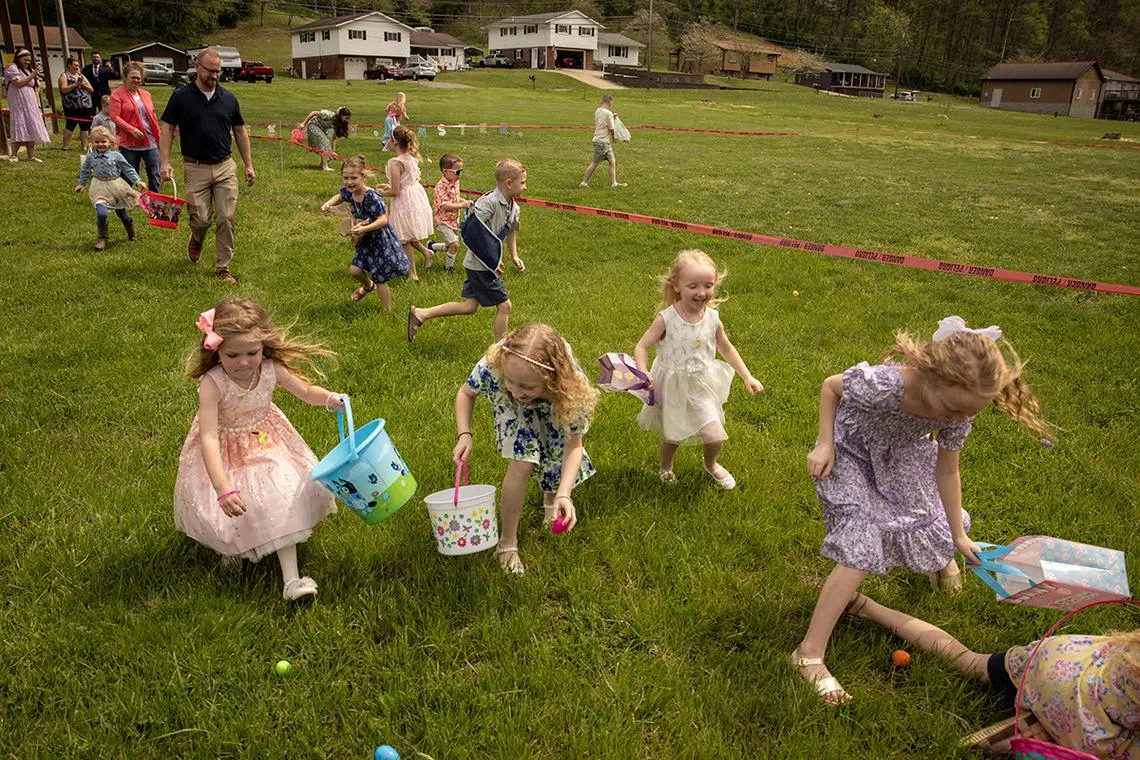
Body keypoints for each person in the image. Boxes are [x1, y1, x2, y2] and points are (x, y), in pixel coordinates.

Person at [794, 316, 1050, 705]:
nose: (959, 419)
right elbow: (832, 387)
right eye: (953, 409)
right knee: (861, 543)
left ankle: (941, 559)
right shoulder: (888, 384)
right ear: (931, 377)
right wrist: (824, 443)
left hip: (902, 459)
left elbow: (947, 469)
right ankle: (808, 654)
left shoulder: (960, 409)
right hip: (850, 454)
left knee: (932, 519)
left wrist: (958, 535)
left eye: (969, 413)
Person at [173, 298, 344, 601]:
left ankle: (291, 581)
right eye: (232, 354)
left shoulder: (270, 368)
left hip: (269, 442)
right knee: (232, 507)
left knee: (279, 491)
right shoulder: (212, 383)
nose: (243, 362)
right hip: (226, 451)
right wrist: (222, 486)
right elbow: (209, 437)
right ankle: (234, 547)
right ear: (216, 350)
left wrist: (330, 398)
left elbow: (305, 391)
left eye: (252, 352)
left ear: (264, 345)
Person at [849, 593, 1139, 758]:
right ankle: (1038, 734)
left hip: (1060, 656)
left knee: (966, 659)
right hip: (1078, 705)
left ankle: (867, 606)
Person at [453, 323, 597, 575]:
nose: (518, 391)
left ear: (552, 380)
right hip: (511, 411)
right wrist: (464, 434)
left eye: (527, 387)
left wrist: (565, 493)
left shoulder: (570, 389)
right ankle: (507, 543)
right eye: (512, 381)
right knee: (523, 461)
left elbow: (573, 445)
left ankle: (552, 499)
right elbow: (466, 393)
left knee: (554, 457)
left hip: (553, 404)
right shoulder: (495, 365)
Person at [634, 250, 764, 489]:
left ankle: (711, 464)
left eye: (708, 285)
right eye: (693, 286)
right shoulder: (666, 319)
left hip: (702, 384)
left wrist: (747, 376)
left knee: (715, 435)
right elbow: (642, 346)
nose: (702, 292)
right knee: (673, 436)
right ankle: (665, 467)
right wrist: (643, 372)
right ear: (676, 286)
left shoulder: (713, 318)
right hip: (672, 385)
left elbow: (727, 349)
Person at [159, 48, 256, 285]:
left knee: (226, 217)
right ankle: (197, 238)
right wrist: (164, 162)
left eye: (218, 71)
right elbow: (167, 129)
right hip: (195, 167)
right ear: (198, 67)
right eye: (211, 71)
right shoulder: (181, 97)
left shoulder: (229, 98)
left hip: (224, 166)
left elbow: (240, 132)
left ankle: (223, 267)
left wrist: (248, 165)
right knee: (200, 219)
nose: (215, 75)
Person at [407, 158, 527, 343]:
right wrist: (492, 261)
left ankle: (421, 314)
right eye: (523, 183)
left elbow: (511, 232)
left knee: (469, 307)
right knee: (505, 306)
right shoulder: (489, 203)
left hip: (484, 264)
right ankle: (500, 348)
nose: (525, 187)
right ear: (509, 183)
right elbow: (472, 231)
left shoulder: (514, 207)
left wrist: (514, 256)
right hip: (481, 266)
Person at [320, 154, 409, 310]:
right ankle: (368, 286)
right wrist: (328, 204)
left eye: (353, 178)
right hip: (364, 240)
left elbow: (383, 220)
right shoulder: (350, 192)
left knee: (381, 277)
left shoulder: (372, 197)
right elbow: (340, 196)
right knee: (354, 270)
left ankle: (387, 312)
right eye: (345, 178)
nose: (349, 182)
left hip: (380, 240)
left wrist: (364, 228)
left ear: (363, 176)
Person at [375, 126, 435, 281]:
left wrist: (379, 193)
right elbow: (404, 182)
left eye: (389, 138)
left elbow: (395, 191)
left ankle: (412, 273)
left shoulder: (395, 163)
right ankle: (426, 252)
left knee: (403, 238)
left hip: (403, 201)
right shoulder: (411, 157)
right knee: (407, 232)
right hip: (414, 197)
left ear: (394, 142)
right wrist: (387, 186)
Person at [74, 125, 145, 251]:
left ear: (110, 142)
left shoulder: (116, 156)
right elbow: (85, 171)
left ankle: (130, 228)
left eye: (103, 141)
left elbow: (128, 169)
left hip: (116, 186)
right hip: (99, 187)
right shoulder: (90, 157)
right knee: (101, 212)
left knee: (121, 213)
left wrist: (138, 181)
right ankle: (102, 238)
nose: (100, 144)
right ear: (92, 143)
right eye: (97, 142)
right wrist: (81, 184)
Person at [109, 62, 162, 192]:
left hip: (150, 141)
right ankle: (125, 204)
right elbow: (114, 116)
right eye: (133, 77)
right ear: (125, 78)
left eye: (138, 77)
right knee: (129, 174)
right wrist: (131, 129)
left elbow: (152, 116)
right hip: (129, 143)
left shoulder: (146, 94)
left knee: (155, 174)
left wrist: (159, 135)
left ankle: (155, 205)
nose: (136, 80)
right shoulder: (117, 94)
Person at [4, 49, 51, 163]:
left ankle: (31, 155)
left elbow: (34, 87)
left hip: (30, 103)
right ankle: (14, 155)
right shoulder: (12, 67)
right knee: (20, 126)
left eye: (29, 60)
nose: (27, 62)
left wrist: (36, 80)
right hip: (19, 103)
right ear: (18, 58)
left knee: (31, 126)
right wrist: (33, 75)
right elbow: (18, 83)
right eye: (25, 60)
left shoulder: (28, 70)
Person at [430, 153, 473, 272]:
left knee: (450, 245)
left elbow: (454, 199)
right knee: (454, 245)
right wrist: (462, 205)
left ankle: (432, 246)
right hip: (443, 221)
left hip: (453, 220)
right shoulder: (441, 187)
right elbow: (445, 205)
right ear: (445, 171)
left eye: (461, 171)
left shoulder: (455, 182)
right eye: (458, 171)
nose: (460, 174)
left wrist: (465, 202)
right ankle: (448, 268)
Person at [579, 94, 627, 189]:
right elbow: (611, 128)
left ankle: (614, 184)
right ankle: (584, 182)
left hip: (600, 140)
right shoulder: (608, 113)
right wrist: (614, 138)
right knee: (594, 163)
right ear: (609, 102)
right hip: (602, 142)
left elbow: (604, 120)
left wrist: (613, 117)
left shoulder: (598, 111)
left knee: (612, 161)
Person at [58, 57, 93, 154]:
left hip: (85, 105)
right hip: (71, 106)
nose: (77, 67)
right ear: (69, 65)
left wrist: (82, 85)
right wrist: (75, 84)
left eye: (78, 66)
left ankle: (84, 147)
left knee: (85, 127)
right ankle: (65, 146)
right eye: (75, 65)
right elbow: (63, 89)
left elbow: (91, 89)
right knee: (70, 126)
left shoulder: (81, 76)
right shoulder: (64, 76)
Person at [299, 106, 351, 172]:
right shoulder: (330, 115)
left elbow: (334, 138)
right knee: (324, 142)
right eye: (346, 118)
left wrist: (333, 151)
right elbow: (313, 113)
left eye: (348, 118)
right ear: (341, 115)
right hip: (313, 125)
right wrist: (303, 123)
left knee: (327, 147)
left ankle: (322, 164)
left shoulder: (338, 123)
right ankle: (325, 167)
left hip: (321, 129)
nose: (347, 120)